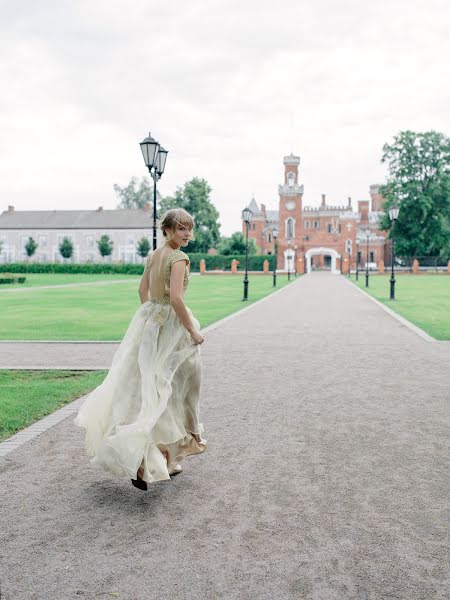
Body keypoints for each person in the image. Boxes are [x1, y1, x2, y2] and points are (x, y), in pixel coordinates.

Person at [73, 208, 207, 491]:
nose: (186, 234)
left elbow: (141, 291)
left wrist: (151, 317)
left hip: (150, 323)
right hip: (172, 327)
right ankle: (158, 455)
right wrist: (191, 330)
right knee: (177, 388)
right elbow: (177, 299)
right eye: (181, 229)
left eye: (188, 229)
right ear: (168, 230)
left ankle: (158, 457)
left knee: (147, 389)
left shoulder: (154, 256)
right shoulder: (178, 257)